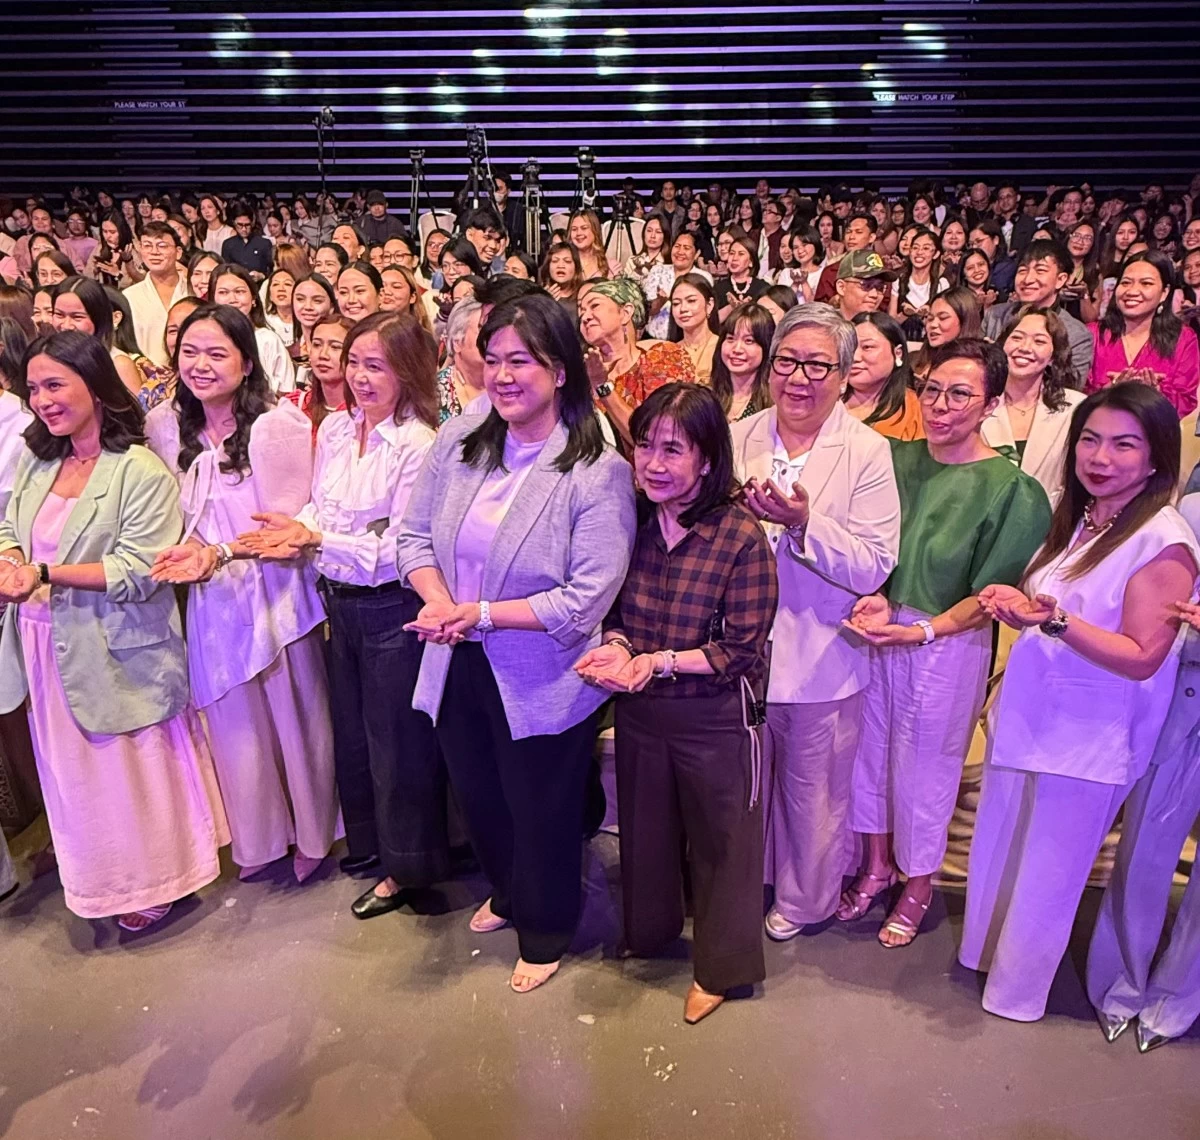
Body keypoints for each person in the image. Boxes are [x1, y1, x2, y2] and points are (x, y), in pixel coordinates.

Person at [395, 291, 637, 993]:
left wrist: (482, 614)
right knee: (481, 793)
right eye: (493, 359)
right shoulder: (462, 438)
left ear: (561, 370)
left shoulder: (596, 469)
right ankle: (506, 892)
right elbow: (412, 536)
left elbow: (585, 597)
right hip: (454, 651)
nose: (502, 376)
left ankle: (547, 926)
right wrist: (442, 604)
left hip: (541, 669)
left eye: (521, 361)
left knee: (542, 808)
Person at [962, 385, 1198, 1023]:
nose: (1101, 456)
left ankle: (1017, 996)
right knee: (1008, 849)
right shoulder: (1085, 513)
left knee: (1050, 874)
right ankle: (989, 963)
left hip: (1092, 734)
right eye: (1090, 439)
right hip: (1037, 715)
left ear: (1156, 459)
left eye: (1125, 444)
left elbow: (1144, 652)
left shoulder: (1162, 537)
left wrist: (1053, 620)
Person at [0, 331, 228, 932]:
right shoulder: (36, 459)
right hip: (44, 641)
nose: (44, 400)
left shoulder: (140, 470)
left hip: (118, 641)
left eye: (56, 385)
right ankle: (98, 882)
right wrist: (9, 558)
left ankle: (159, 879)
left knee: (129, 772)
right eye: (33, 389)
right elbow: (7, 525)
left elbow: (140, 569)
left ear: (96, 387)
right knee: (73, 778)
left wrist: (42, 572)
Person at [576, 383, 777, 1024]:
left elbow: (739, 650)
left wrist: (654, 662)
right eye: (644, 446)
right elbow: (614, 608)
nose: (653, 464)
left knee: (724, 846)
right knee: (645, 833)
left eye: (673, 450)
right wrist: (615, 645)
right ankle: (652, 933)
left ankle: (721, 969)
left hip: (714, 716)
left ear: (709, 459)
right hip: (642, 709)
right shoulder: (632, 519)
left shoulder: (741, 536)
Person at [843, 338, 1052, 947]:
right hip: (877, 623)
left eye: (959, 394)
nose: (940, 404)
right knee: (868, 750)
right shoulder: (894, 458)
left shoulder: (1011, 489)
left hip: (945, 640)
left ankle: (918, 882)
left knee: (925, 766)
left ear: (989, 403)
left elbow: (991, 594)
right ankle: (877, 863)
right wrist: (877, 598)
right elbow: (871, 549)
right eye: (931, 389)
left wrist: (921, 628)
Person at [241, 311, 450, 917]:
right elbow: (322, 507)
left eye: (374, 365)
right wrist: (299, 528)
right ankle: (371, 846)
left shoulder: (418, 445)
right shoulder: (336, 428)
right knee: (354, 737)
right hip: (340, 601)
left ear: (408, 370)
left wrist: (317, 542)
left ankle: (409, 869)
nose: (359, 376)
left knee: (398, 748)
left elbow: (400, 548)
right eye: (353, 362)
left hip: (394, 607)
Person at [145, 303, 338, 882]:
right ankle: (261, 837)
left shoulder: (279, 425)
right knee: (236, 724)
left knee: (296, 716)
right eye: (189, 352)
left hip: (276, 591)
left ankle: (314, 833)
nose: (200, 365)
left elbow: (287, 524)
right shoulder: (162, 426)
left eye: (216, 353)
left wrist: (223, 552)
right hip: (210, 595)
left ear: (247, 362)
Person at [729, 306, 900, 942]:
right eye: (787, 362)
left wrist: (804, 525)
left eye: (817, 365)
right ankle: (750, 882)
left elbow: (875, 562)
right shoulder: (740, 433)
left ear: (844, 373)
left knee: (813, 791)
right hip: (741, 645)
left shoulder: (867, 450)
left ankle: (806, 900)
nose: (798, 378)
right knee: (748, 780)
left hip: (821, 648)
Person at [1085, 495, 1200, 1050]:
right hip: (1185, 697)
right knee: (1145, 849)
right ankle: (1120, 984)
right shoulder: (1193, 513)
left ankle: (1178, 998)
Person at [983, 307, 1087, 500]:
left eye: (1039, 341)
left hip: (1053, 523)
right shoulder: (980, 403)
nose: (1024, 347)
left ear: (1053, 356)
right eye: (1016, 337)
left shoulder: (1076, 408)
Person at [578, 277, 696, 447]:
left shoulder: (663, 357)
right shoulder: (580, 374)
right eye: (581, 310)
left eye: (594, 306)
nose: (584, 317)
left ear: (625, 313)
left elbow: (655, 440)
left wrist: (603, 387)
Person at [1086, 250, 1199, 418]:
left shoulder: (1183, 338)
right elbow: (1072, 394)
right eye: (1125, 282)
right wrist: (1107, 393)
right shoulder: (1093, 334)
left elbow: (1186, 402)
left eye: (1146, 283)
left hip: (1154, 436)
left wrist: (1156, 395)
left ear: (1164, 293)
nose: (1132, 291)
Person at [983, 239, 1094, 387]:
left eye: (1040, 270)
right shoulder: (994, 316)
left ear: (1061, 280)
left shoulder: (1077, 334)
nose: (1028, 279)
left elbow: (1069, 392)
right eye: (1022, 270)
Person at [50, 275, 145, 397]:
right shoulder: (47, 357)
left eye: (77, 317)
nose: (66, 325)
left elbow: (135, 413)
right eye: (59, 315)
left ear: (98, 318)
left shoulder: (118, 364)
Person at [209, 263, 295, 393]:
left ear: (253, 298)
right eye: (223, 292)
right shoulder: (205, 340)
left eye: (239, 291)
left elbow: (287, 391)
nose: (232, 299)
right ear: (213, 299)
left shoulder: (268, 339)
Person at [845, 311, 924, 439]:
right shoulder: (826, 401)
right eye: (850, 347)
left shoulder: (916, 411)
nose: (855, 357)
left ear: (898, 353)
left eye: (867, 347)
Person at [122, 221, 188, 367]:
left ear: (178, 252)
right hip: (144, 379)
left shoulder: (193, 291)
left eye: (162, 246)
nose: (154, 252)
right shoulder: (129, 297)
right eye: (147, 246)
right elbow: (122, 345)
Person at [709, 303, 775, 422]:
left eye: (749, 341)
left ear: (766, 347)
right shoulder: (707, 399)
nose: (737, 349)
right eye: (730, 339)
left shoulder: (775, 405)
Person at [643, 232, 712, 340]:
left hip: (688, 340)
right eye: (677, 246)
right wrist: (660, 301)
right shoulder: (658, 271)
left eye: (686, 248)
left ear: (697, 254)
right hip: (654, 339)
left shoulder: (703, 277)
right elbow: (646, 312)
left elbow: (705, 313)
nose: (680, 252)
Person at [435, 298, 486, 422]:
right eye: (482, 330)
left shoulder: (505, 386)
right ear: (457, 342)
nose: (490, 336)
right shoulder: (433, 392)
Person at [666, 274, 720, 384]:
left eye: (691, 301)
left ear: (709, 305)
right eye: (676, 303)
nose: (683, 309)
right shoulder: (668, 352)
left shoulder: (723, 348)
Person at [714, 236, 769, 324]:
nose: (734, 258)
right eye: (732, 253)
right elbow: (711, 323)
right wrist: (731, 308)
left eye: (741, 254)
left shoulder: (763, 288)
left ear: (751, 262)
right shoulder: (718, 288)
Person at [832, 250, 896, 321]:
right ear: (841, 287)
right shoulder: (822, 328)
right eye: (866, 285)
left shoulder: (884, 331)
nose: (874, 295)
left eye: (879, 287)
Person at [220, 206, 273, 279]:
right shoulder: (228, 245)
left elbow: (273, 270)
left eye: (247, 225)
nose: (244, 229)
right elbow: (225, 271)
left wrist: (262, 276)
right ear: (234, 223)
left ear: (252, 223)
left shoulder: (264, 243)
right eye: (240, 225)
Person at [538, 242, 584, 325]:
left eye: (567, 261)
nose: (560, 265)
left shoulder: (583, 296)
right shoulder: (538, 296)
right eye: (555, 261)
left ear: (576, 267)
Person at [622, 215, 668, 284]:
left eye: (658, 232)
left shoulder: (668, 263)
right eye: (649, 231)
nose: (652, 236)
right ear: (644, 234)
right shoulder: (632, 261)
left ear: (665, 236)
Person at [567, 210, 610, 279]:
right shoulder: (564, 265)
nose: (578, 233)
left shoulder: (611, 267)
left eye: (584, 228)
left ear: (595, 230)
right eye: (574, 229)